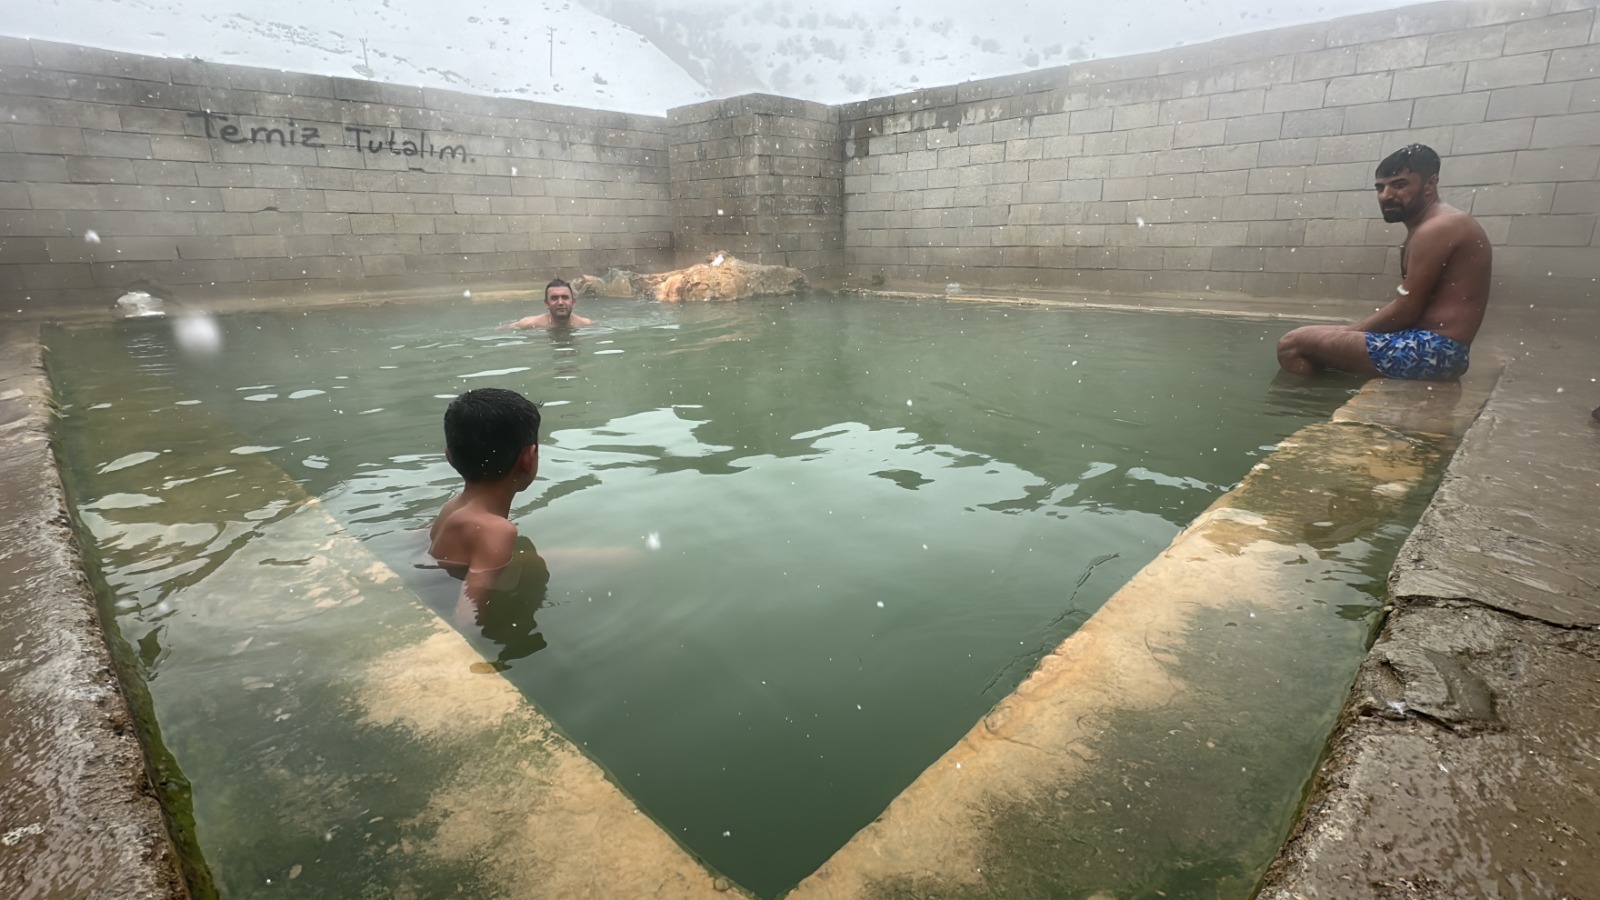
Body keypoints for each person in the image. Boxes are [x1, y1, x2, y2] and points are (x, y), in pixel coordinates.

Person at [1277, 144, 1491, 380]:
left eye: (1399, 185)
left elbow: (1406, 309)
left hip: (1435, 350)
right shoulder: (1431, 226)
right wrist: (1342, 334)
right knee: (1309, 333)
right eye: (1380, 187)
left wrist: (1347, 334)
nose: (1386, 195)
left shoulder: (1439, 227)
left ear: (1430, 184)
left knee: (1291, 344)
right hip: (1431, 346)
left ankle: (1314, 399)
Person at [429, 388, 542, 621]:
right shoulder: (496, 530)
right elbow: (466, 615)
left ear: (450, 457)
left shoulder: (453, 507)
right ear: (528, 459)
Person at [508, 278, 593, 328]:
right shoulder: (531, 324)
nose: (560, 302)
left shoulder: (584, 324)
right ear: (546, 303)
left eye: (565, 297)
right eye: (554, 298)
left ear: (573, 302)